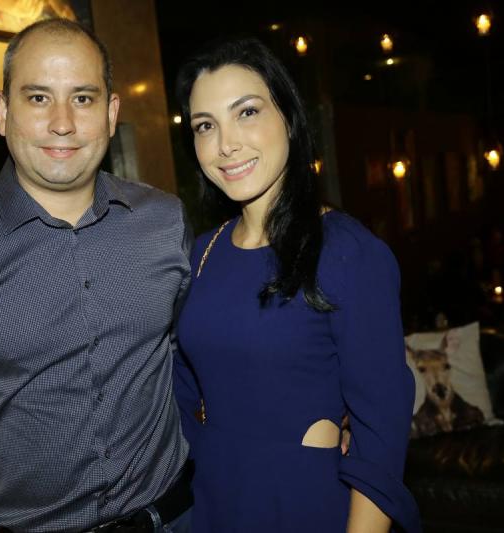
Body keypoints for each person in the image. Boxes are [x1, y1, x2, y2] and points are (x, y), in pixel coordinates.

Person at [0, 18, 194, 533]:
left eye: (83, 98)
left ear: (111, 113)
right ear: (3, 112)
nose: (62, 123)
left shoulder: (165, 222)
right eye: (39, 98)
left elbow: (192, 355)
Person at [172, 38, 420, 532]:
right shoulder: (200, 254)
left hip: (305, 505)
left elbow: (381, 435)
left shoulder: (347, 252)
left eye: (246, 112)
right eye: (205, 125)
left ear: (288, 116)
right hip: (212, 505)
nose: (225, 144)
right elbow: (181, 395)